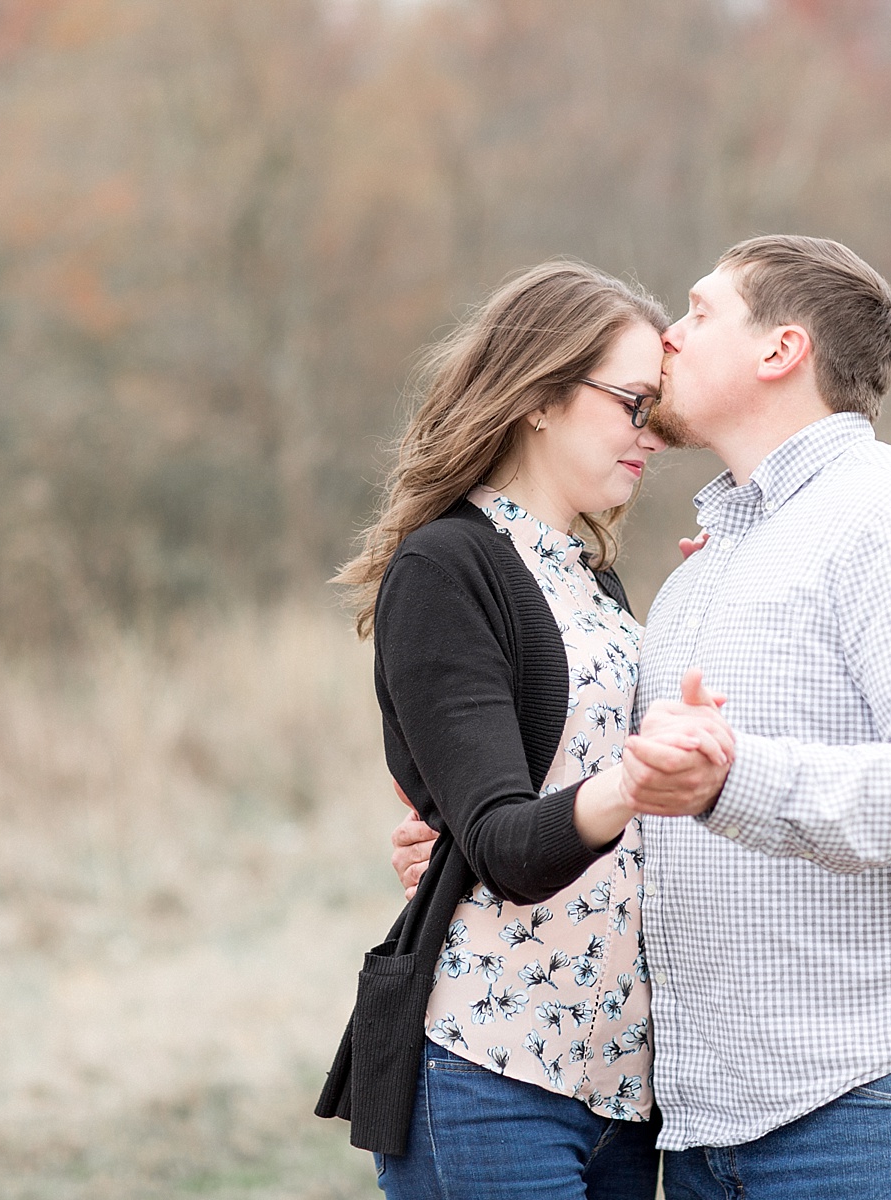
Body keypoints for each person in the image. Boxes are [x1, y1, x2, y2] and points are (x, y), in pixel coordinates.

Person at [391, 235, 891, 1200]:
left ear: (780, 351)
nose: (670, 337)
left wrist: (734, 781)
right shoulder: (701, 571)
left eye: (697, 312)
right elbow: (602, 778)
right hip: (698, 1122)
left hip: (869, 1100)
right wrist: (461, 843)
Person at [316, 260, 735, 1200]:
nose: (651, 437)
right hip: (493, 1060)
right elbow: (505, 841)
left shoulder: (595, 582)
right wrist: (633, 782)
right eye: (634, 403)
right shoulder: (446, 567)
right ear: (542, 395)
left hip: (622, 1082)